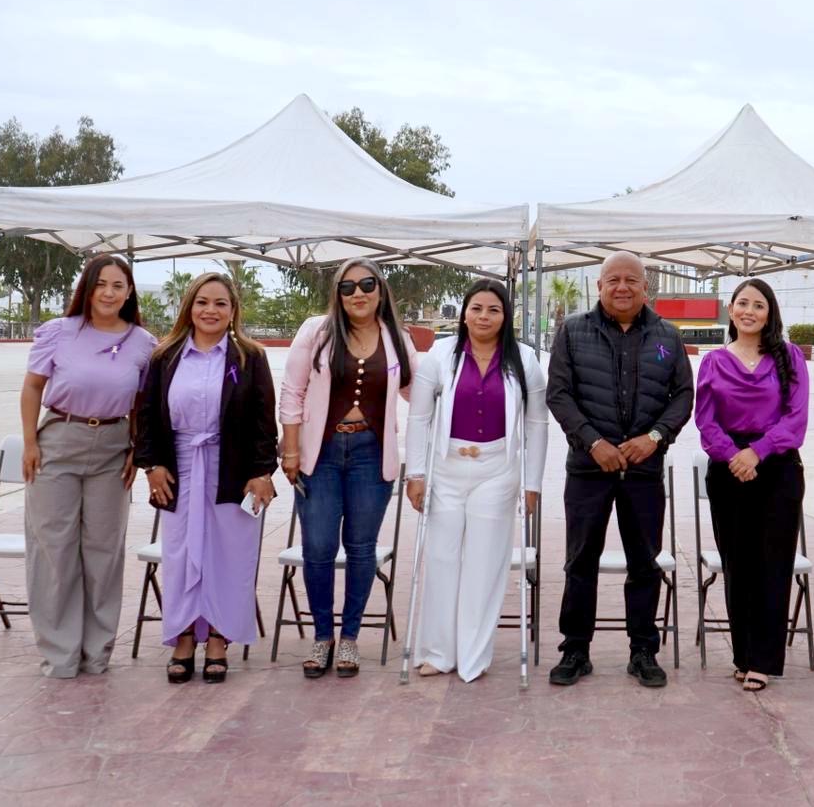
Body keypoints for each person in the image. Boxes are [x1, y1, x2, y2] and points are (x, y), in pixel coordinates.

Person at [546, 251, 694, 688]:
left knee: (644, 563)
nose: (623, 287)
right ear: (599, 285)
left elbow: (683, 396)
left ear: (646, 287)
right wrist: (593, 442)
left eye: (632, 279)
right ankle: (575, 649)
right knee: (580, 562)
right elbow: (559, 395)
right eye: (614, 279)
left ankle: (643, 650)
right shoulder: (573, 332)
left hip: (644, 470)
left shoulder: (666, 334)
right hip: (589, 468)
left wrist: (654, 437)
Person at [135, 273, 277, 684]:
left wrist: (261, 471)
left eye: (220, 303)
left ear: (233, 311)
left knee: (230, 556)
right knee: (181, 555)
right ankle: (182, 636)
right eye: (202, 302)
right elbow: (146, 416)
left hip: (233, 469)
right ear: (189, 308)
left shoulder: (250, 357)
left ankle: (218, 637)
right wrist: (152, 465)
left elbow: (263, 421)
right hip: (178, 468)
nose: (210, 310)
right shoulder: (165, 357)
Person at [19, 254, 157, 678]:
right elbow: (33, 387)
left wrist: (138, 447)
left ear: (129, 292)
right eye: (102, 284)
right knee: (54, 551)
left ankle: (97, 653)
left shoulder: (143, 342)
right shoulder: (58, 333)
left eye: (118, 285)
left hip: (114, 447)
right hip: (59, 439)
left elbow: (141, 403)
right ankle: (60, 654)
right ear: (88, 288)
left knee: (103, 550)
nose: (109, 293)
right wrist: (29, 441)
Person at [279, 258, 418, 678]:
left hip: (370, 454)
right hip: (319, 453)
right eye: (348, 286)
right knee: (318, 547)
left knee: (361, 548)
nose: (358, 293)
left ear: (381, 290)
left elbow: (421, 390)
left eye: (367, 284)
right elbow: (292, 391)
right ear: (337, 294)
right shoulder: (315, 331)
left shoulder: (397, 337)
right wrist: (289, 451)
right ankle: (323, 636)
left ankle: (351, 638)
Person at [404, 279, 548, 682]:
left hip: (497, 471)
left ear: (506, 317)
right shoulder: (439, 357)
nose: (484, 317)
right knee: (442, 558)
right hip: (446, 467)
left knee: (485, 563)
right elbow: (418, 418)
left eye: (493, 310)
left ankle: (472, 656)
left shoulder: (525, 360)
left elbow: (537, 424)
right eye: (477, 308)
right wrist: (415, 474)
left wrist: (532, 482)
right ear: (464, 312)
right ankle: (437, 651)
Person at [694, 279, 809, 691]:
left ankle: (763, 660)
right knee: (737, 564)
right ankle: (743, 656)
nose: (749, 311)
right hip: (728, 471)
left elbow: (795, 419)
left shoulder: (789, 357)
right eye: (742, 303)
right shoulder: (713, 362)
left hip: (776, 468)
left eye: (758, 305)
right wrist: (733, 456)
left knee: (772, 565)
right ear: (730, 309)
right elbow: (705, 421)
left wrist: (756, 452)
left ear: (769, 313)